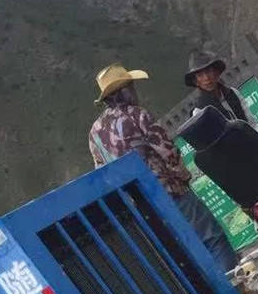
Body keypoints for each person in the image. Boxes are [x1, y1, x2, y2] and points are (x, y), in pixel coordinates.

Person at [88, 64, 239, 273]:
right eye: (131, 87)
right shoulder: (137, 115)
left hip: (142, 207)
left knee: (188, 256)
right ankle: (238, 287)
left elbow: (103, 173)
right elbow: (167, 151)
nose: (134, 92)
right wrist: (183, 176)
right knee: (212, 240)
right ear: (123, 92)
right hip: (170, 192)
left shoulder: (95, 133)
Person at [185, 50, 258, 153]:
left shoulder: (233, 93)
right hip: (233, 156)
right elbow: (212, 146)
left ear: (217, 72)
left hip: (254, 141)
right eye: (200, 75)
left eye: (208, 72)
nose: (207, 78)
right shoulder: (199, 111)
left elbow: (251, 122)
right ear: (196, 82)